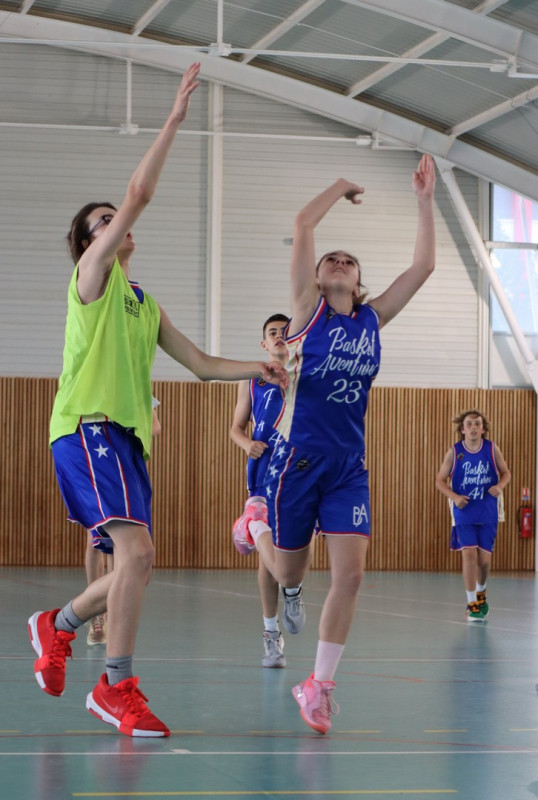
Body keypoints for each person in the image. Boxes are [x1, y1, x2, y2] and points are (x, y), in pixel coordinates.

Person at [27, 62, 287, 739]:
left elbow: (200, 364)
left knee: (137, 565)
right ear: (90, 242)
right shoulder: (90, 280)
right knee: (136, 556)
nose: (116, 222)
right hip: (86, 428)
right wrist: (174, 119)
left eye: (113, 219)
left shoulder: (142, 302)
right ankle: (115, 687)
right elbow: (139, 192)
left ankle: (56, 625)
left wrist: (259, 369)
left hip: (127, 440)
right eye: (103, 221)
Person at [234, 154, 436, 734]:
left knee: (351, 575)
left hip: (348, 465)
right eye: (331, 259)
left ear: (358, 280)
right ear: (319, 278)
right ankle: (256, 526)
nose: (340, 261)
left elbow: (423, 267)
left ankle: (318, 686)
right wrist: (341, 186)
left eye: (349, 260)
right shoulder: (307, 311)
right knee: (287, 573)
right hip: (296, 461)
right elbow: (304, 224)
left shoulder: (371, 319)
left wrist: (425, 200)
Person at [231, 313, 308, 668]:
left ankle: (292, 588)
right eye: (272, 332)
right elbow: (235, 427)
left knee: (289, 549)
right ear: (264, 343)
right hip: (262, 475)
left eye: (284, 332)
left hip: (296, 472)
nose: (278, 336)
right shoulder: (252, 380)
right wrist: (246, 443)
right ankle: (270, 635)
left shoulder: (304, 376)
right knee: (265, 548)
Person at [84, 403, 160, 646]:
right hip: (99, 463)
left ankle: (111, 607)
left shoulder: (137, 392)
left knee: (121, 548)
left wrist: (130, 427)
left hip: (126, 468)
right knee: (94, 540)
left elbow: (155, 427)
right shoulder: (96, 392)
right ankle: (96, 615)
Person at [435, 409, 511, 622]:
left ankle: (481, 592)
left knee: (484, 561)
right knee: (469, 554)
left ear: (483, 429)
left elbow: (506, 473)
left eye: (477, 423)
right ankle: (472, 604)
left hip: (487, 509)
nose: (473, 427)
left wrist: (500, 486)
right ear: (462, 429)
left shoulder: (492, 449)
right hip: (464, 510)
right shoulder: (454, 452)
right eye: (469, 424)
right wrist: (454, 496)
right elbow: (439, 480)